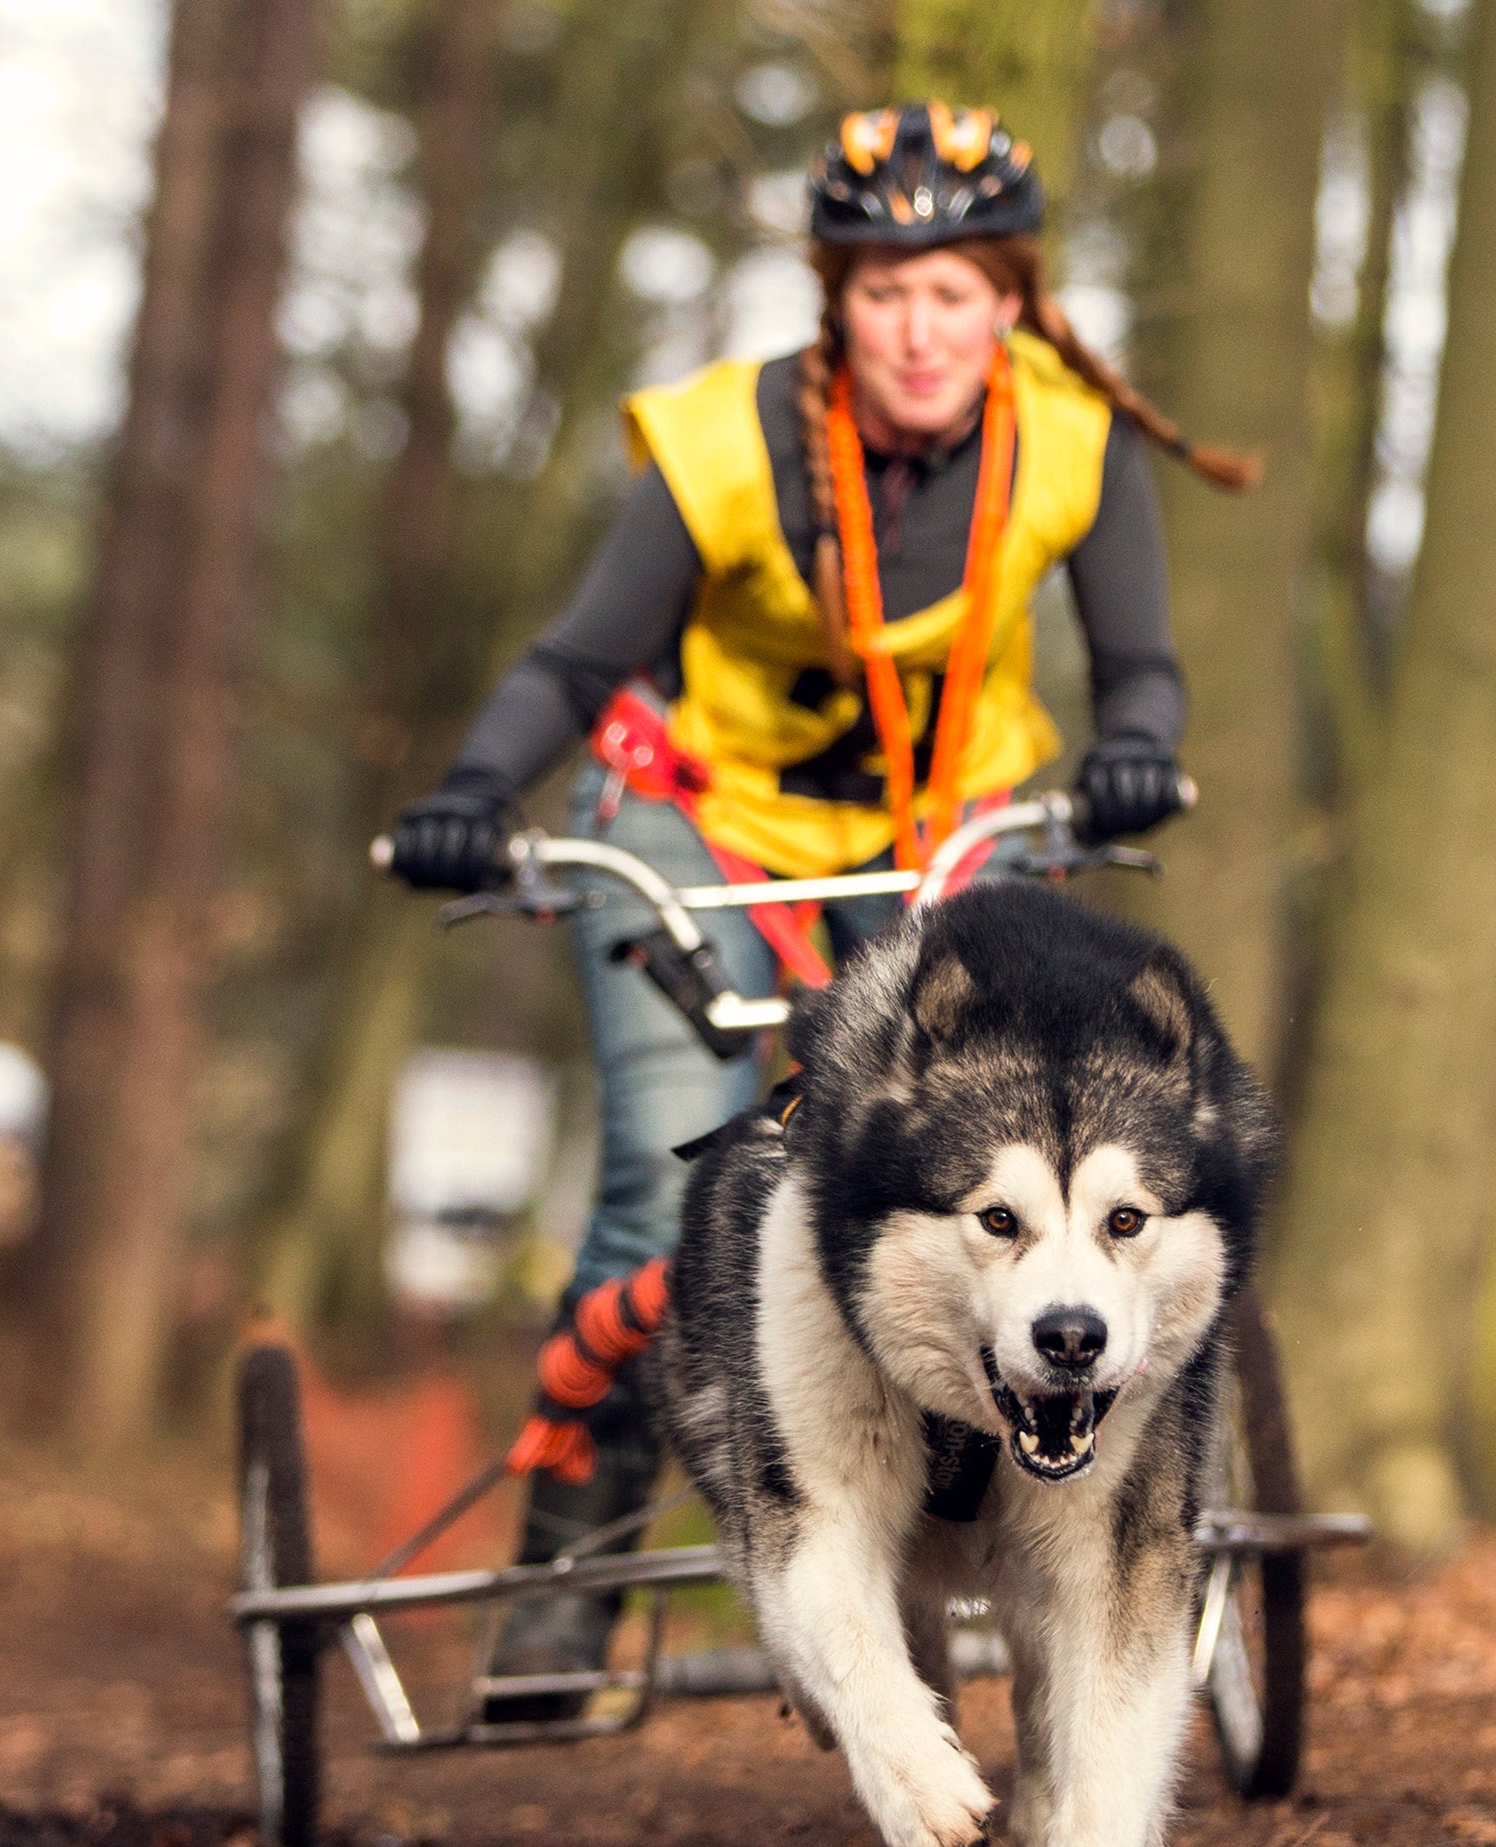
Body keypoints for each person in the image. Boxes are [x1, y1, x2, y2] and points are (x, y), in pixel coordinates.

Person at [389, 99, 1250, 1714]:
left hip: (947, 842)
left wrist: (1139, 754)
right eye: (883, 293)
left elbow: (1138, 670)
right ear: (830, 299)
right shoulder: (722, 441)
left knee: (986, 1175)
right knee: (672, 1191)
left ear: (1012, 300)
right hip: (698, 830)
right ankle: (567, 1579)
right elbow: (579, 661)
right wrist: (468, 789)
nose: (919, 331)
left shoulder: (1071, 435)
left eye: (955, 293)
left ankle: (979, 1507)